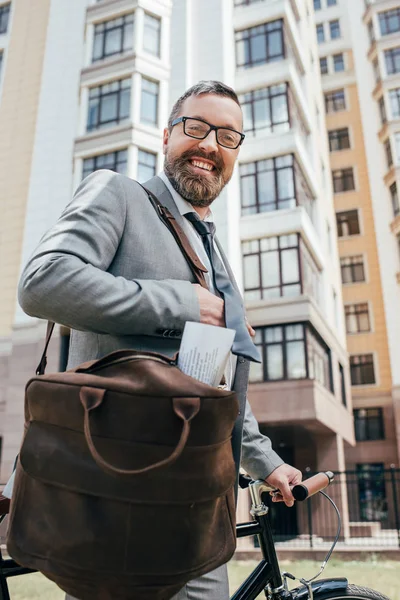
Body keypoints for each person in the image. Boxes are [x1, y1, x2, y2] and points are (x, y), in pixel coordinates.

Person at [18, 80, 302, 600]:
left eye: (228, 137)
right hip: (118, 510)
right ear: (167, 135)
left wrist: (268, 462)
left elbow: (216, 383)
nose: (210, 145)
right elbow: (43, 281)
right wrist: (180, 303)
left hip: (197, 516)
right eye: (197, 128)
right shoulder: (118, 194)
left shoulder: (218, 261)